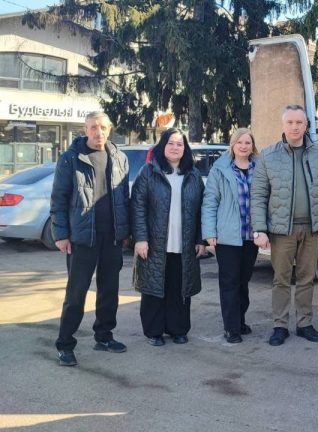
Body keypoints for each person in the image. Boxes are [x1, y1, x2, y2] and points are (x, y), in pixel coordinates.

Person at [250, 105, 318, 346]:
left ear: (306, 126)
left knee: (306, 278)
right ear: (283, 125)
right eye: (290, 122)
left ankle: (304, 324)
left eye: (299, 122)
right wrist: (259, 229)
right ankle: (280, 326)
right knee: (281, 279)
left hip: (313, 229)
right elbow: (258, 195)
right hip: (282, 231)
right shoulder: (269, 157)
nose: (294, 127)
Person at [50, 111, 131, 366]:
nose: (99, 132)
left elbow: (124, 199)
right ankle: (65, 344)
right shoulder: (70, 159)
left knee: (110, 291)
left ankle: (104, 336)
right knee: (76, 294)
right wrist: (61, 235)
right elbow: (58, 200)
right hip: (82, 239)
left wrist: (125, 232)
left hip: (112, 238)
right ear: (85, 129)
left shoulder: (119, 158)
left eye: (103, 127)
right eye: (94, 127)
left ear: (110, 129)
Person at [132, 128, 206, 347]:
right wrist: (141, 238)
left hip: (184, 244)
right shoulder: (149, 172)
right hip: (155, 244)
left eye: (180, 144)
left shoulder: (193, 175)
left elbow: (201, 210)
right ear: (162, 146)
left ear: (185, 148)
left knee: (179, 288)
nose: (175, 148)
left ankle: (178, 329)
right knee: (154, 287)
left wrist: (200, 240)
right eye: (171, 143)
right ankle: (154, 331)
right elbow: (138, 207)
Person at [202, 128, 260, 344]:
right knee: (229, 282)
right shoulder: (221, 169)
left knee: (244, 281)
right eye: (240, 142)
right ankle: (231, 328)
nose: (244, 146)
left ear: (252, 146)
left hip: (250, 236)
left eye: (248, 143)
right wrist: (209, 232)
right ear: (233, 145)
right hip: (227, 237)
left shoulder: (259, 168)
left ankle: (240, 320)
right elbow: (210, 201)